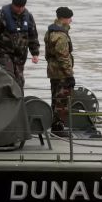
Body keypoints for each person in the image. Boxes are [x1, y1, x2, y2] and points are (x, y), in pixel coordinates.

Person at [0, 0, 40, 91]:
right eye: (17, 7)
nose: (20, 9)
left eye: (22, 7)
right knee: (9, 75)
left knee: (19, 81)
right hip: (4, 51)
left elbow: (33, 36)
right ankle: (5, 100)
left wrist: (35, 53)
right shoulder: (2, 14)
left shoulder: (28, 17)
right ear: (13, 4)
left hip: (20, 55)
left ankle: (19, 103)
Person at [44, 7, 75, 135]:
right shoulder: (61, 35)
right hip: (62, 73)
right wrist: (70, 75)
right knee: (62, 100)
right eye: (70, 18)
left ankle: (55, 124)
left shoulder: (50, 30)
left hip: (53, 71)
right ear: (65, 18)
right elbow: (63, 57)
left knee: (55, 98)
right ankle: (58, 128)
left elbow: (47, 54)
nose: (71, 21)